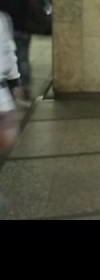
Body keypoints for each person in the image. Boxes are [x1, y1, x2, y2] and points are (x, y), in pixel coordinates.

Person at [0, 0, 48, 103]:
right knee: (22, 58)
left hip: (4, 30)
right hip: (22, 28)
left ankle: (7, 87)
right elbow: (38, 5)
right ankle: (24, 87)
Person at [0, 11, 21, 215]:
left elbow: (7, 50)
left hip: (1, 92)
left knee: (7, 136)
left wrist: (14, 80)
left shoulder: (2, 19)